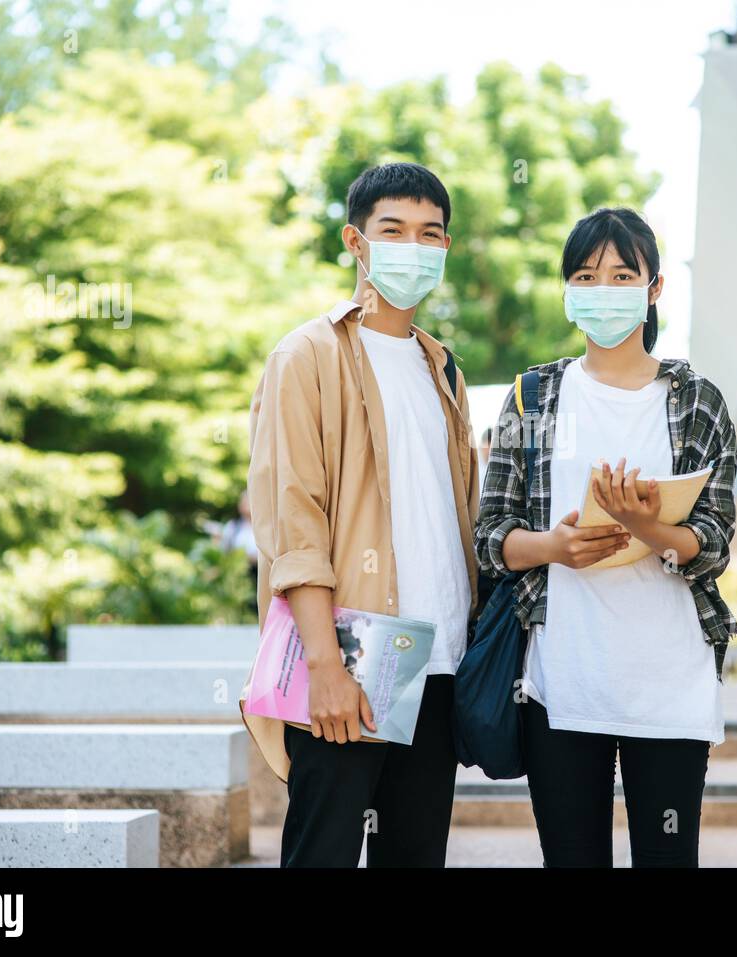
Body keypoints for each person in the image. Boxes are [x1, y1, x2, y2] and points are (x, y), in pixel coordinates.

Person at [475, 206, 737, 867]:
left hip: (670, 682)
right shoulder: (533, 396)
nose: (604, 290)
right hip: (562, 683)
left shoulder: (697, 400)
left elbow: (714, 542)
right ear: (567, 290)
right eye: (587, 276)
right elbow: (491, 536)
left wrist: (647, 525)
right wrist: (553, 548)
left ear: (654, 288)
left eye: (623, 275)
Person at [242, 162, 479, 867]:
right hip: (353, 654)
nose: (413, 247)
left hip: (438, 661)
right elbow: (295, 522)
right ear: (355, 240)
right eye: (393, 230)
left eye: (430, 234)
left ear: (445, 247)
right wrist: (325, 664)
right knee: (323, 853)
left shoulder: (444, 369)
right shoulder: (306, 355)